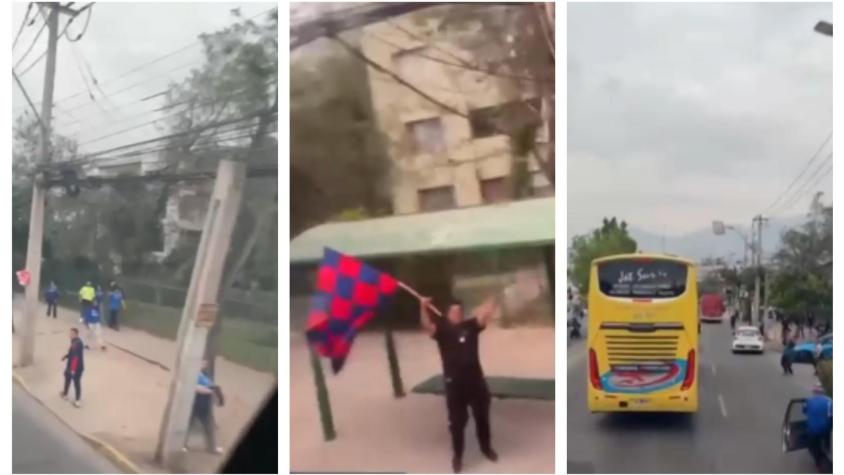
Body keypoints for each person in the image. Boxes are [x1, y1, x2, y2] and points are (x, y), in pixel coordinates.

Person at [420, 295, 499, 473]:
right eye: (454, 312)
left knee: (482, 419)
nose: (457, 314)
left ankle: (486, 448)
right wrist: (423, 307)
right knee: (456, 424)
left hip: (476, 382)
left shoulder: (470, 326)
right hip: (455, 385)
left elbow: (485, 316)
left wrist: (491, 301)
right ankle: (458, 457)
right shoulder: (441, 330)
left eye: (460, 311)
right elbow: (427, 327)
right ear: (447, 314)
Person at [184, 359, 224, 454]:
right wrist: (209, 391)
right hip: (196, 403)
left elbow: (211, 387)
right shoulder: (195, 374)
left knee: (208, 427)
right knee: (188, 425)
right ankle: (182, 444)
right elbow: (195, 387)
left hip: (204, 405)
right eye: (202, 362)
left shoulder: (204, 375)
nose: (205, 364)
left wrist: (216, 394)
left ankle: (212, 447)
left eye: (205, 362)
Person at [804, 385, 832, 473]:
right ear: (823, 392)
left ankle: (819, 463)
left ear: (814, 392)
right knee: (827, 435)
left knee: (812, 446)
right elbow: (832, 415)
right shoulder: (830, 401)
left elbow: (804, 411)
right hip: (826, 429)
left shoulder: (808, 401)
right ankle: (828, 448)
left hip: (813, 430)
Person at [60, 328, 85, 407]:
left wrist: (73, 370)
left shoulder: (76, 344)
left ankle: (77, 401)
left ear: (76, 334)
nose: (69, 335)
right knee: (67, 378)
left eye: (71, 334)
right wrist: (66, 356)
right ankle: (65, 394)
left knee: (76, 383)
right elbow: (72, 354)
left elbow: (76, 357)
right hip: (72, 366)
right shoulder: (76, 342)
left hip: (76, 368)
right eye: (69, 333)